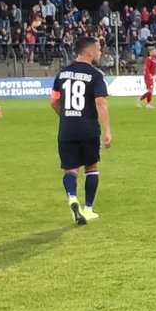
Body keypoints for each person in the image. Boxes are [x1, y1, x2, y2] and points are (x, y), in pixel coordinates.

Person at [50, 36, 112, 227]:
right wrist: (107, 131)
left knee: (71, 169)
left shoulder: (62, 74)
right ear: (89, 51)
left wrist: (67, 116)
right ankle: (88, 208)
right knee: (91, 167)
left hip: (67, 128)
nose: (100, 52)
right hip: (88, 128)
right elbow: (100, 102)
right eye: (98, 49)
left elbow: (53, 101)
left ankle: (72, 197)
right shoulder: (95, 75)